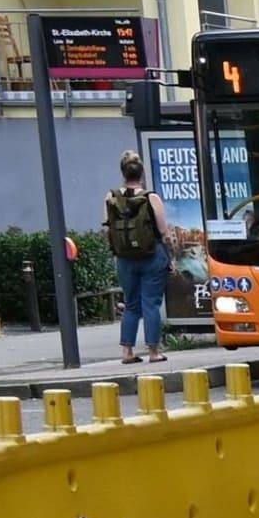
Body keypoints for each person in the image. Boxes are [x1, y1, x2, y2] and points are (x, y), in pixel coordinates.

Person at [101, 152, 171, 365]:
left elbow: (107, 228)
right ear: (141, 172)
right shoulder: (151, 197)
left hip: (125, 259)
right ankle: (153, 351)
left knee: (131, 305)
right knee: (151, 303)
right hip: (152, 256)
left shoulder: (110, 197)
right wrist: (172, 256)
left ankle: (127, 352)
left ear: (123, 172)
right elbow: (164, 232)